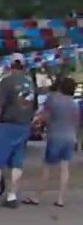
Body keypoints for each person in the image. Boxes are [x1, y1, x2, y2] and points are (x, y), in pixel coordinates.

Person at [0, 53, 35, 208]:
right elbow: (33, 107)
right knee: (17, 164)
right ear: (23, 66)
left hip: (6, 125)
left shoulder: (6, 82)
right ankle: (12, 196)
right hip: (23, 126)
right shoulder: (29, 84)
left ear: (10, 66)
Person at [26, 76, 78, 207]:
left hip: (55, 136)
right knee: (64, 168)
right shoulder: (74, 103)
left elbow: (43, 116)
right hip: (70, 137)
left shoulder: (53, 98)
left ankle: (37, 197)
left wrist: (35, 123)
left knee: (47, 167)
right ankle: (61, 199)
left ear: (60, 86)